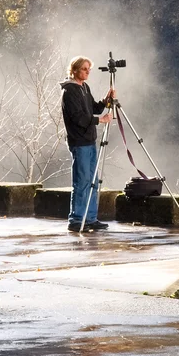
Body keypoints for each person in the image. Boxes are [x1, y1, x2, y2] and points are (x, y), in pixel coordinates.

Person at [60, 56, 115, 232]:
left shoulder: (84, 87)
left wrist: (106, 100)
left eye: (88, 69)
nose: (87, 72)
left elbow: (94, 108)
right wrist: (101, 121)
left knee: (92, 181)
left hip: (89, 140)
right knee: (82, 181)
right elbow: (78, 118)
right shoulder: (70, 91)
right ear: (74, 70)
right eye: (84, 69)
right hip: (79, 141)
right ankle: (77, 219)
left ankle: (90, 218)